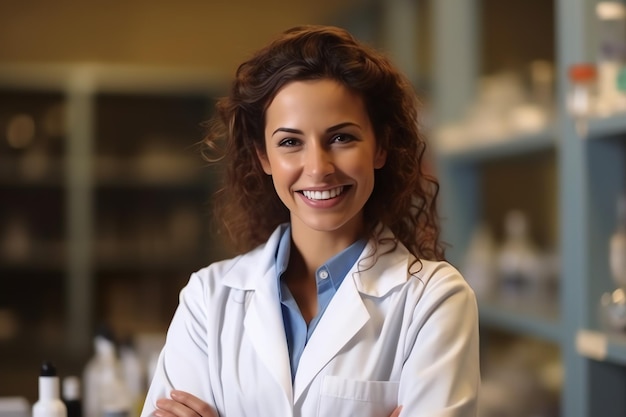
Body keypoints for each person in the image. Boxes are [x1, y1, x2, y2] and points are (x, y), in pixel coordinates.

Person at [141, 25, 480, 417]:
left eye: (341, 138)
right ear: (264, 157)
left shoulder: (435, 301)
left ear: (381, 146)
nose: (318, 168)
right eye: (290, 142)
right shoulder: (208, 299)